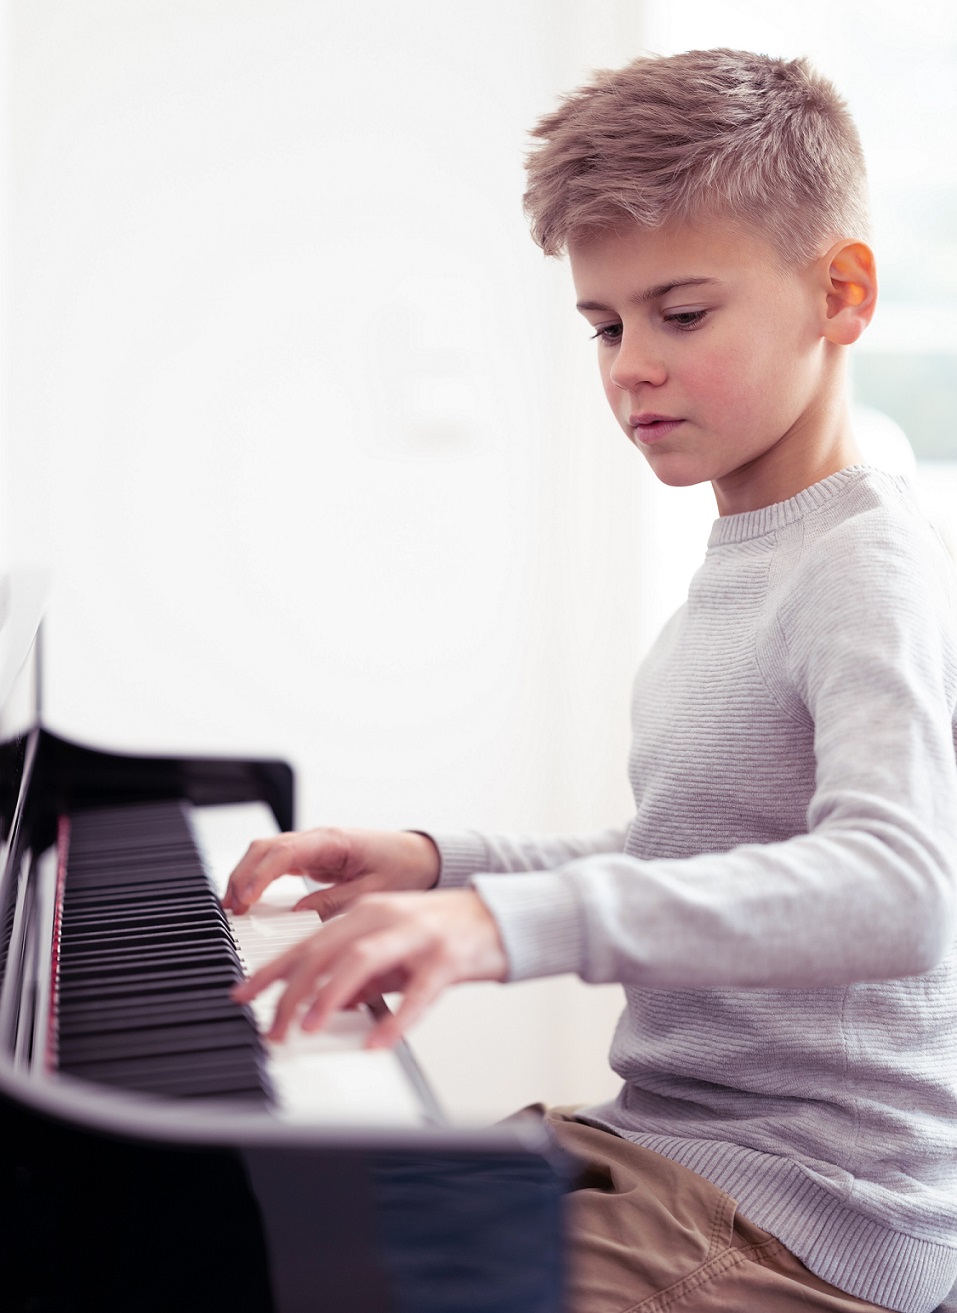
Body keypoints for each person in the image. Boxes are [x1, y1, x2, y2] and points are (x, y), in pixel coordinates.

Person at [224, 49, 957, 1313]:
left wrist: (504, 930)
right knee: (268, 1232)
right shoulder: (746, 563)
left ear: (840, 293)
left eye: (681, 314)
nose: (630, 366)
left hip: (808, 1212)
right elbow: (688, 845)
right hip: (671, 1149)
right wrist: (441, 862)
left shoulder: (863, 565)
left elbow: (899, 889)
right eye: (606, 325)